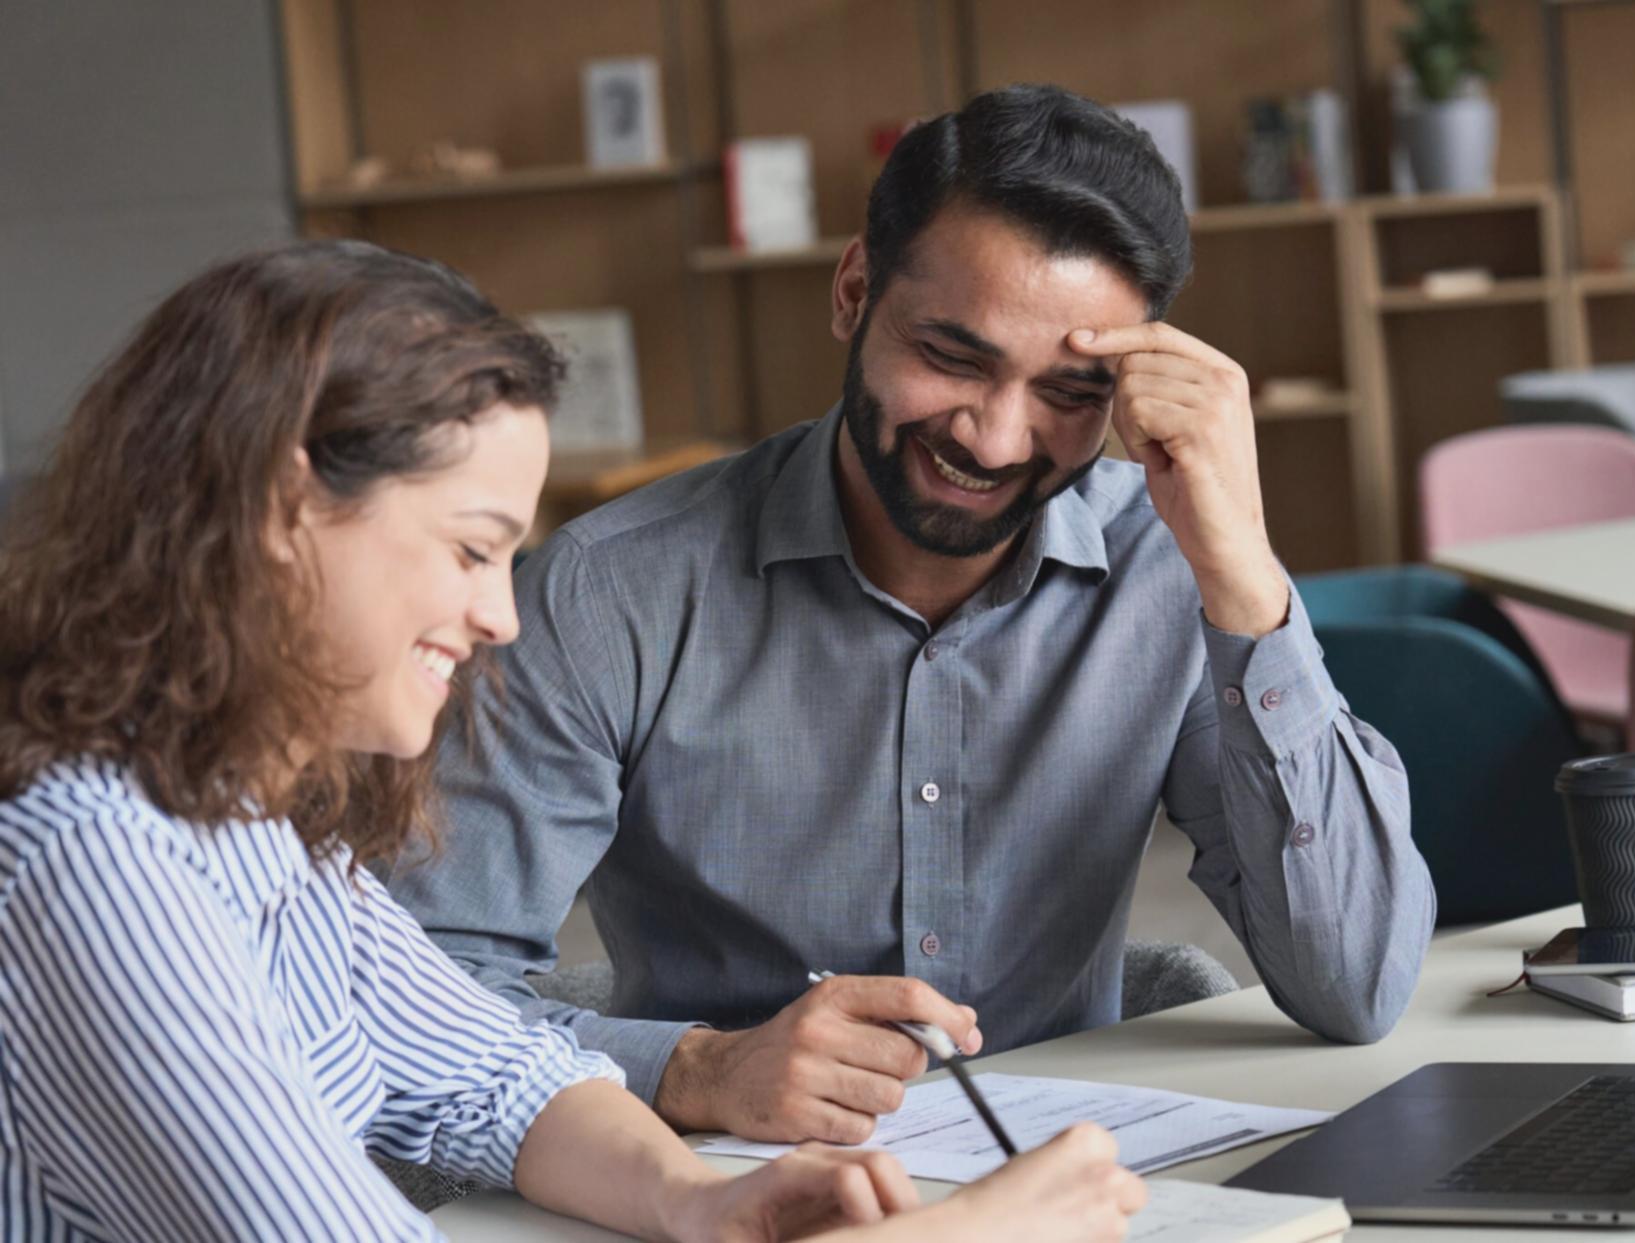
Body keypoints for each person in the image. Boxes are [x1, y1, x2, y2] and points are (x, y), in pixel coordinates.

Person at [0, 240, 1144, 1241]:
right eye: (470, 549)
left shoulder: (247, 818)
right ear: (287, 512)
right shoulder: (101, 866)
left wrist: (696, 1202)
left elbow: (491, 1078)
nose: (501, 616)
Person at [390, 83, 1436, 1147]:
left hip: (1075, 1187)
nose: (995, 438)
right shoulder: (609, 592)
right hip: (723, 1186)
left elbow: (1355, 984)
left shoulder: (1170, 566)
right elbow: (410, 1009)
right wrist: (700, 1069)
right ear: (854, 291)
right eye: (952, 357)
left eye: (1070, 394)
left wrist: (1245, 573)